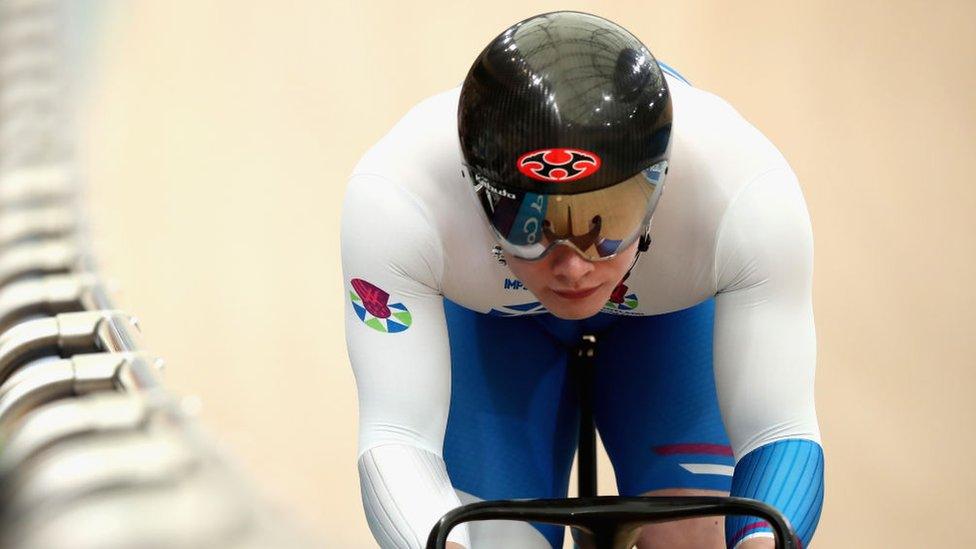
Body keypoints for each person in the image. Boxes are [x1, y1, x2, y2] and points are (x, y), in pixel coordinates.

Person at [342, 11, 823, 549]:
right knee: (496, 542)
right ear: (472, 189)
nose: (572, 266)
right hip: (495, 331)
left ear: (661, 187)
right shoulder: (400, 197)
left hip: (667, 322)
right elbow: (396, 437)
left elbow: (779, 429)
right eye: (528, 224)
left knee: (693, 538)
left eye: (607, 222)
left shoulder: (743, 192)